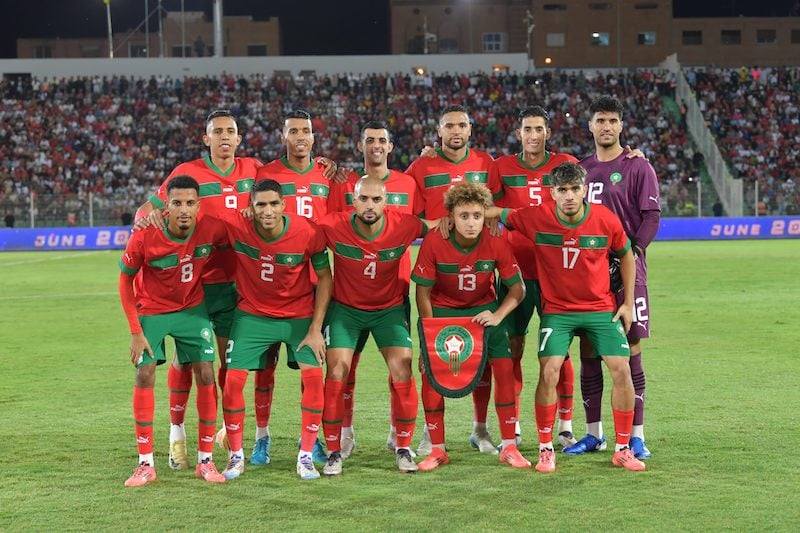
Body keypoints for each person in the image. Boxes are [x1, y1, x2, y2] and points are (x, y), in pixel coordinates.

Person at [490, 162, 646, 473]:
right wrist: (456, 215)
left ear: (584, 189)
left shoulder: (604, 218)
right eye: (562, 190)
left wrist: (627, 303)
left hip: (600, 309)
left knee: (621, 370)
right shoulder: (535, 217)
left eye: (575, 189)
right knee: (549, 371)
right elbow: (496, 211)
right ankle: (546, 448)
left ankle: (623, 448)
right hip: (558, 311)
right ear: (552, 193)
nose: (570, 196)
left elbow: (627, 254)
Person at [133, 109, 263, 471]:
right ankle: (177, 434)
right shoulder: (187, 173)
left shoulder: (254, 170)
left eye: (230, 131)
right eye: (217, 132)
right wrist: (145, 219)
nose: (224, 137)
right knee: (187, 361)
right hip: (196, 286)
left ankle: (223, 430)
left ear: (239, 138)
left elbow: (285, 182)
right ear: (206, 139)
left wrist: (327, 166)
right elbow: (148, 208)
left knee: (227, 363)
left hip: (237, 284)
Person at [317, 177, 438, 475]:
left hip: (389, 311)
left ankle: (403, 448)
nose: (369, 205)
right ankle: (334, 451)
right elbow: (297, 231)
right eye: (363, 199)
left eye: (376, 199)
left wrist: (481, 219)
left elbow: (438, 226)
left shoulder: (405, 225)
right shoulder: (333, 225)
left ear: (386, 202)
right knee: (336, 372)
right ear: (354, 201)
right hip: (346, 311)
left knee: (402, 370)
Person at [118, 176, 228, 487]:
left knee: (206, 373)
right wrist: (135, 331)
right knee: (144, 373)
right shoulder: (145, 235)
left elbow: (242, 241)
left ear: (199, 205)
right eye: (177, 203)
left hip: (192, 310)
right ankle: (145, 464)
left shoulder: (212, 228)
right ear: (166, 206)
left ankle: (205, 460)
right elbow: (125, 281)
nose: (184, 209)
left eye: (190, 203)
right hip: (153, 311)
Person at [568, 96, 661, 460]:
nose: (606, 126)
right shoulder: (580, 169)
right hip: (589, 274)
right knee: (589, 351)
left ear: (621, 125)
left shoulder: (638, 166)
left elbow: (651, 215)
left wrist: (632, 252)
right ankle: (594, 434)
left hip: (626, 273)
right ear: (590, 126)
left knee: (631, 348)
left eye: (612, 120)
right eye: (600, 120)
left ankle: (637, 436)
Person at [412, 181, 528, 471]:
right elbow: (422, 293)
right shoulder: (435, 241)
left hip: (483, 312)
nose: (471, 222)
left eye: (477, 215)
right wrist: (430, 332)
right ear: (451, 216)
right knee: (430, 374)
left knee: (505, 370)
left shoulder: (496, 241)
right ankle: (437, 449)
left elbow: (518, 289)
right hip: (443, 314)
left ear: (484, 215)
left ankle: (509, 446)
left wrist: (498, 316)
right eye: (464, 216)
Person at [220, 179, 331, 481]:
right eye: (260, 205)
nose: (267, 211)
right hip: (252, 316)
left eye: (273, 204)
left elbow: (325, 277)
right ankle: (236, 456)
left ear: (283, 205)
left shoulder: (307, 232)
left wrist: (316, 328)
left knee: (314, 380)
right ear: (251, 207)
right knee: (232, 382)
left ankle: (305, 455)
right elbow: (198, 222)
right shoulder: (236, 225)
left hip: (298, 317)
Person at [405, 104, 500, 455]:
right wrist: (434, 225)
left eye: (462, 125)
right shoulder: (421, 166)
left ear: (470, 129)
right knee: (431, 358)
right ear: (439, 131)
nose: (456, 131)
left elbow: (499, 206)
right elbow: (408, 214)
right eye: (449, 126)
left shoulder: (487, 164)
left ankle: (480, 429)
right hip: (438, 274)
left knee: (484, 359)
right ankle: (429, 434)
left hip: (479, 273)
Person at [327, 120, 420, 459]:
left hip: (394, 294)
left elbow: (431, 223)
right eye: (370, 140)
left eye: (382, 139)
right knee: (344, 369)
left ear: (391, 146)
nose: (376, 145)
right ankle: (344, 435)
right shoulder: (343, 182)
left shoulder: (410, 182)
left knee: (400, 367)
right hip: (348, 297)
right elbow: (326, 227)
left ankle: (399, 435)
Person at [491, 106, 579, 447]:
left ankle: (566, 424)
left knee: (559, 351)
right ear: (519, 133)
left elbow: (589, 183)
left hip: (555, 274)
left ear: (547, 133)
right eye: (527, 129)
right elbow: (486, 207)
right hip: (514, 274)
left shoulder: (564, 163)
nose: (533, 135)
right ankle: (512, 424)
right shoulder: (502, 167)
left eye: (539, 129)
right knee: (512, 348)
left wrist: (631, 155)